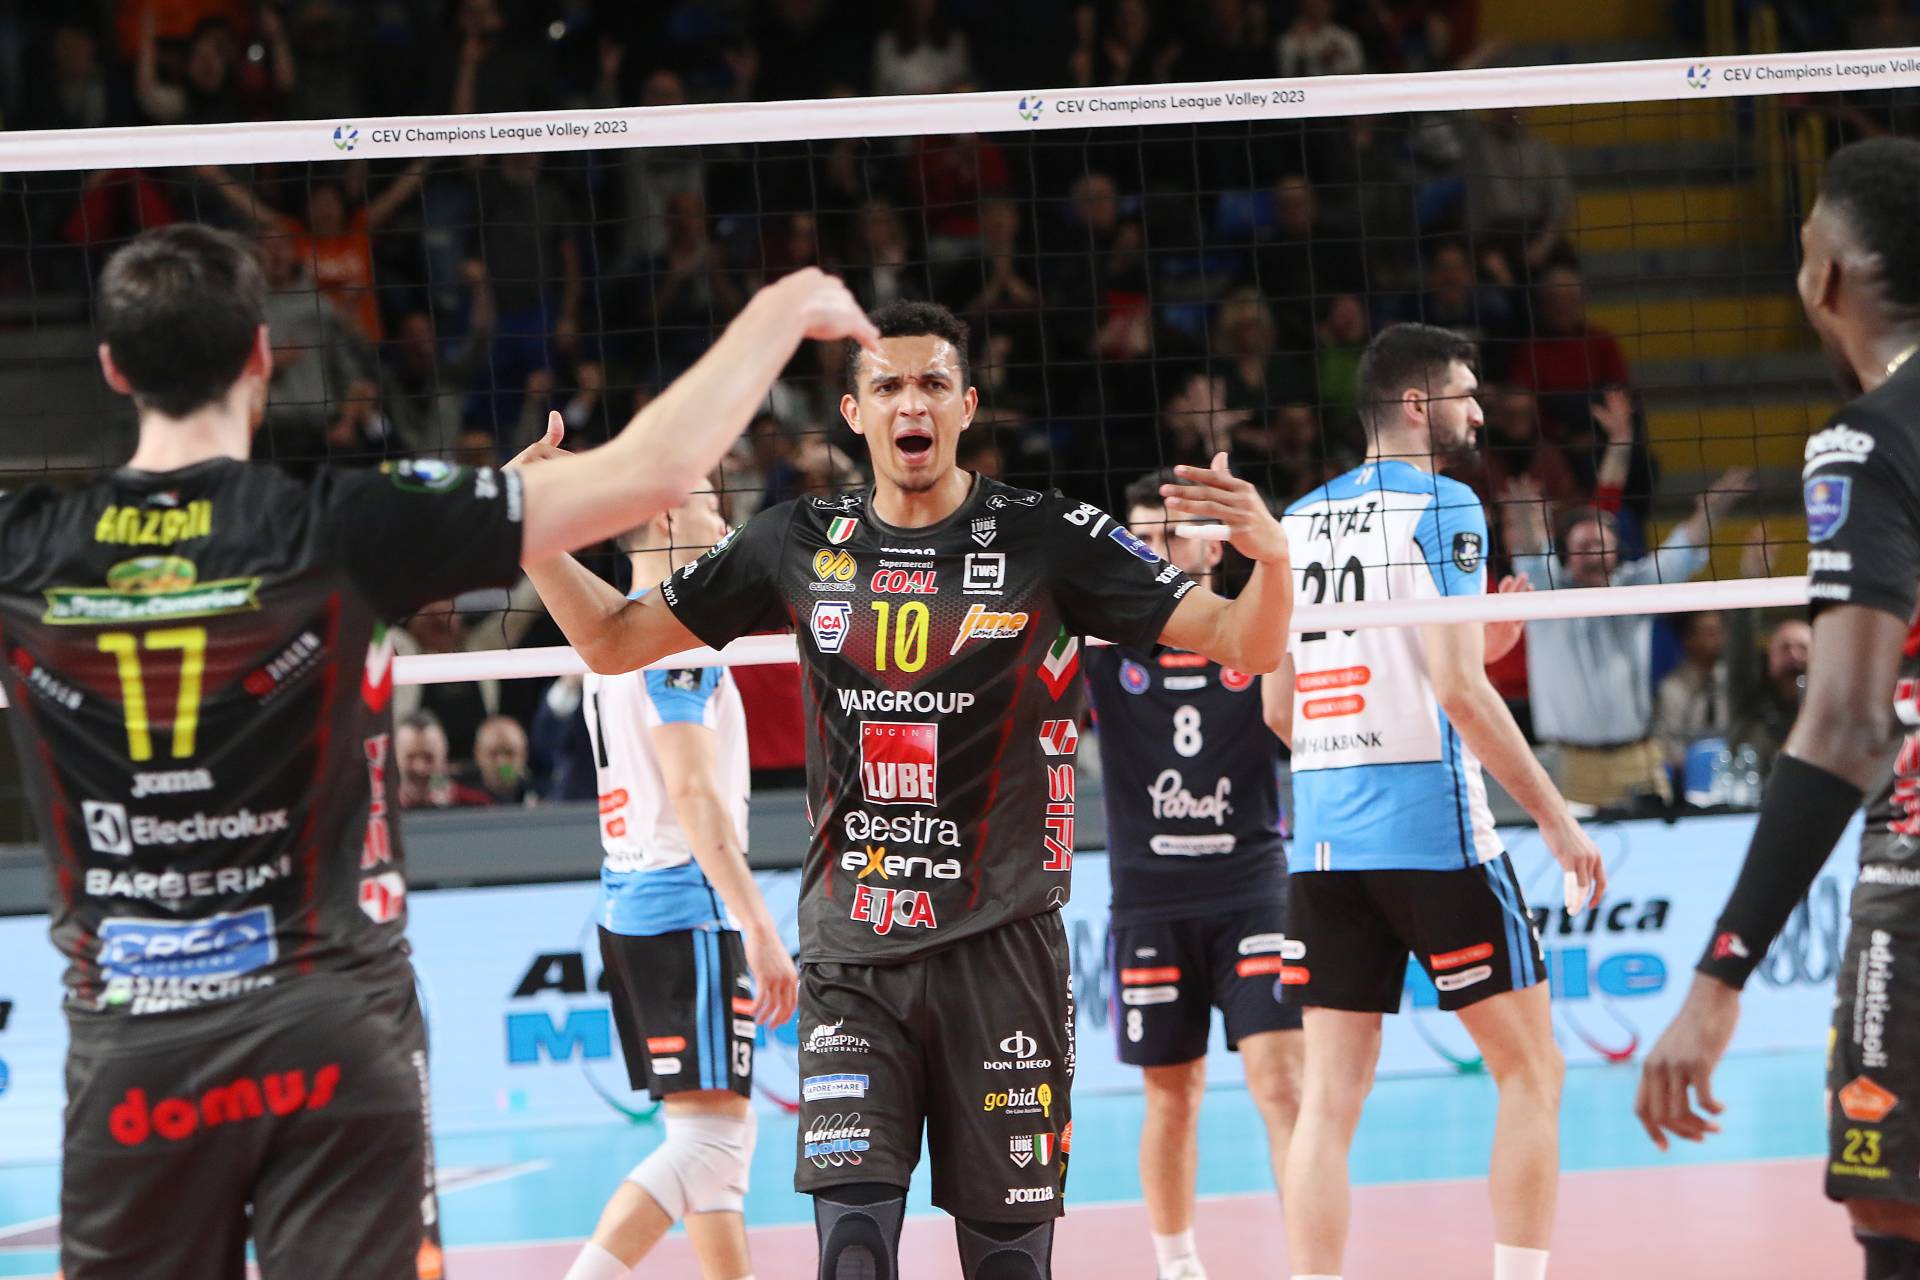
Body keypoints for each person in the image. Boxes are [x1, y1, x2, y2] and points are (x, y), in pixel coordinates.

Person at [15, 222, 876, 1280]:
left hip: (134, 1042)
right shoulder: (347, 519)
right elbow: (654, 468)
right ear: (260, 355)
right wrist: (785, 306)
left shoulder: (32, 544)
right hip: (331, 1029)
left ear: (111, 367)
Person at [508, 299, 1294, 1280]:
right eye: (887, 385)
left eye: (931, 383)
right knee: (853, 1255)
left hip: (1004, 952)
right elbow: (613, 638)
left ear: (966, 405)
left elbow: (1246, 642)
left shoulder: (1051, 535)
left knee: (1009, 1267)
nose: (910, 402)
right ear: (854, 412)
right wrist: (534, 534)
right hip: (854, 956)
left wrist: (1273, 558)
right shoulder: (797, 537)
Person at [1264, 322, 1605, 1280]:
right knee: (1531, 1072)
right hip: (1435, 840)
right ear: (1418, 404)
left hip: (1325, 848)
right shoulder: (1447, 504)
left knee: (1328, 1103)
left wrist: (1375, 728)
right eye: (1466, 391)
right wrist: (1556, 818)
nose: (1480, 412)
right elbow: (1457, 688)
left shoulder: (1297, 519)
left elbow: (1280, 706)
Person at [1636, 138, 1920, 1280]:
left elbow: (1847, 723)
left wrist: (1720, 976)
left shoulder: (1869, 438)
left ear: (1826, 276)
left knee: (1896, 1214)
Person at [562, 489, 801, 1280]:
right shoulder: (677, 642)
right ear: (666, 520)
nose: (728, 525)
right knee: (711, 1142)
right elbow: (694, 795)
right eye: (710, 508)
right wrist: (759, 927)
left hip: (633, 899)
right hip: (684, 903)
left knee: (715, 1141)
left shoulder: (609, 630)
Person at [1081, 469, 1303, 1280]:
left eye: (1170, 535)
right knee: (1172, 1097)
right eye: (1139, 536)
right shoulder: (1102, 640)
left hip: (1253, 890)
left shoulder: (1259, 626)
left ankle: (1310, 1262)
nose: (1153, 550)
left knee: (1283, 1085)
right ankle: (1178, 1266)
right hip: (1150, 899)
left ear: (1213, 547)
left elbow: (1299, 720)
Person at [1502, 465, 1748, 809]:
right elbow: (1530, 556)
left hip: (1638, 756)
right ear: (1567, 554)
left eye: (1602, 546)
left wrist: (1710, 511)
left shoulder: (1634, 588)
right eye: (1585, 546)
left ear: (1616, 551)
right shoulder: (1546, 594)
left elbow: (1680, 554)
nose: (1595, 554)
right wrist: (1524, 516)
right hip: (1572, 762)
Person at [396, 709, 493, 809]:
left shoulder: (476, 805)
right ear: (395, 757)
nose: (420, 768)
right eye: (410, 757)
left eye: (429, 757)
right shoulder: (385, 810)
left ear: (444, 755)